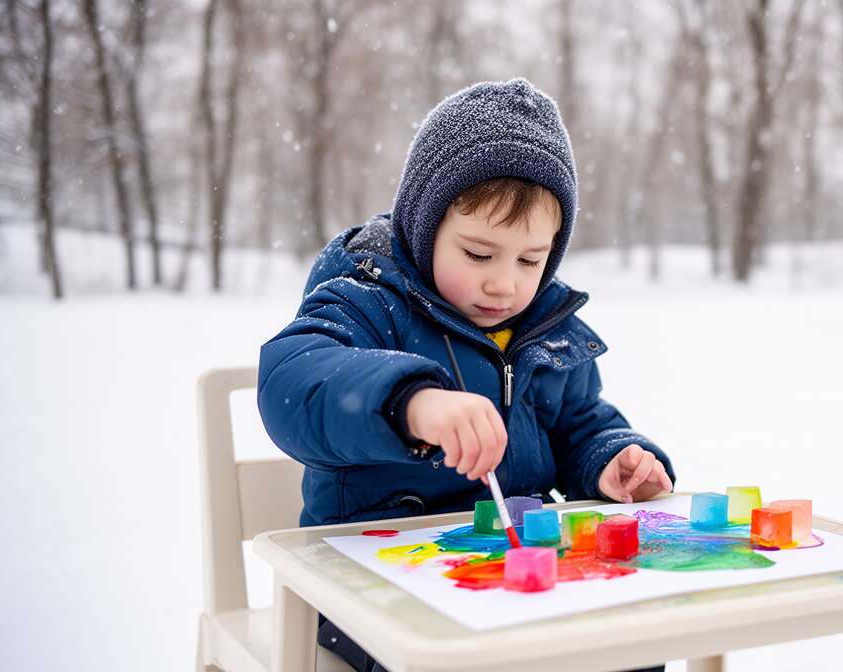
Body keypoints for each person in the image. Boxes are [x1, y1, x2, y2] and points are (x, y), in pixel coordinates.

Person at [258, 78, 674, 672]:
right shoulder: (367, 299)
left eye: (530, 260)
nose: (503, 283)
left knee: (627, 649)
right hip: (372, 591)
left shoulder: (546, 328)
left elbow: (580, 422)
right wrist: (411, 401)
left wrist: (611, 458)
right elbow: (293, 381)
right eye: (479, 254)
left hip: (516, 576)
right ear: (424, 227)